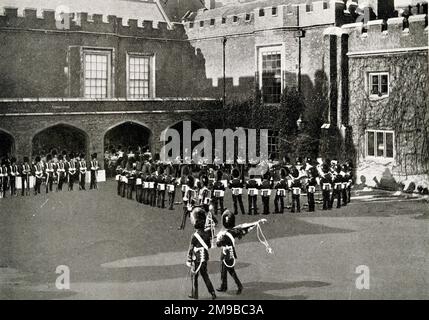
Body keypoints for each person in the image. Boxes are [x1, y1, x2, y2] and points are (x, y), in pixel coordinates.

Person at [186, 207, 216, 300]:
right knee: (205, 275)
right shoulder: (207, 234)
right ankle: (212, 292)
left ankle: (195, 295)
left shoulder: (194, 236)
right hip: (205, 258)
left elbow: (190, 249)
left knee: (194, 276)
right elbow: (209, 246)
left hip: (196, 259)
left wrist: (189, 259)